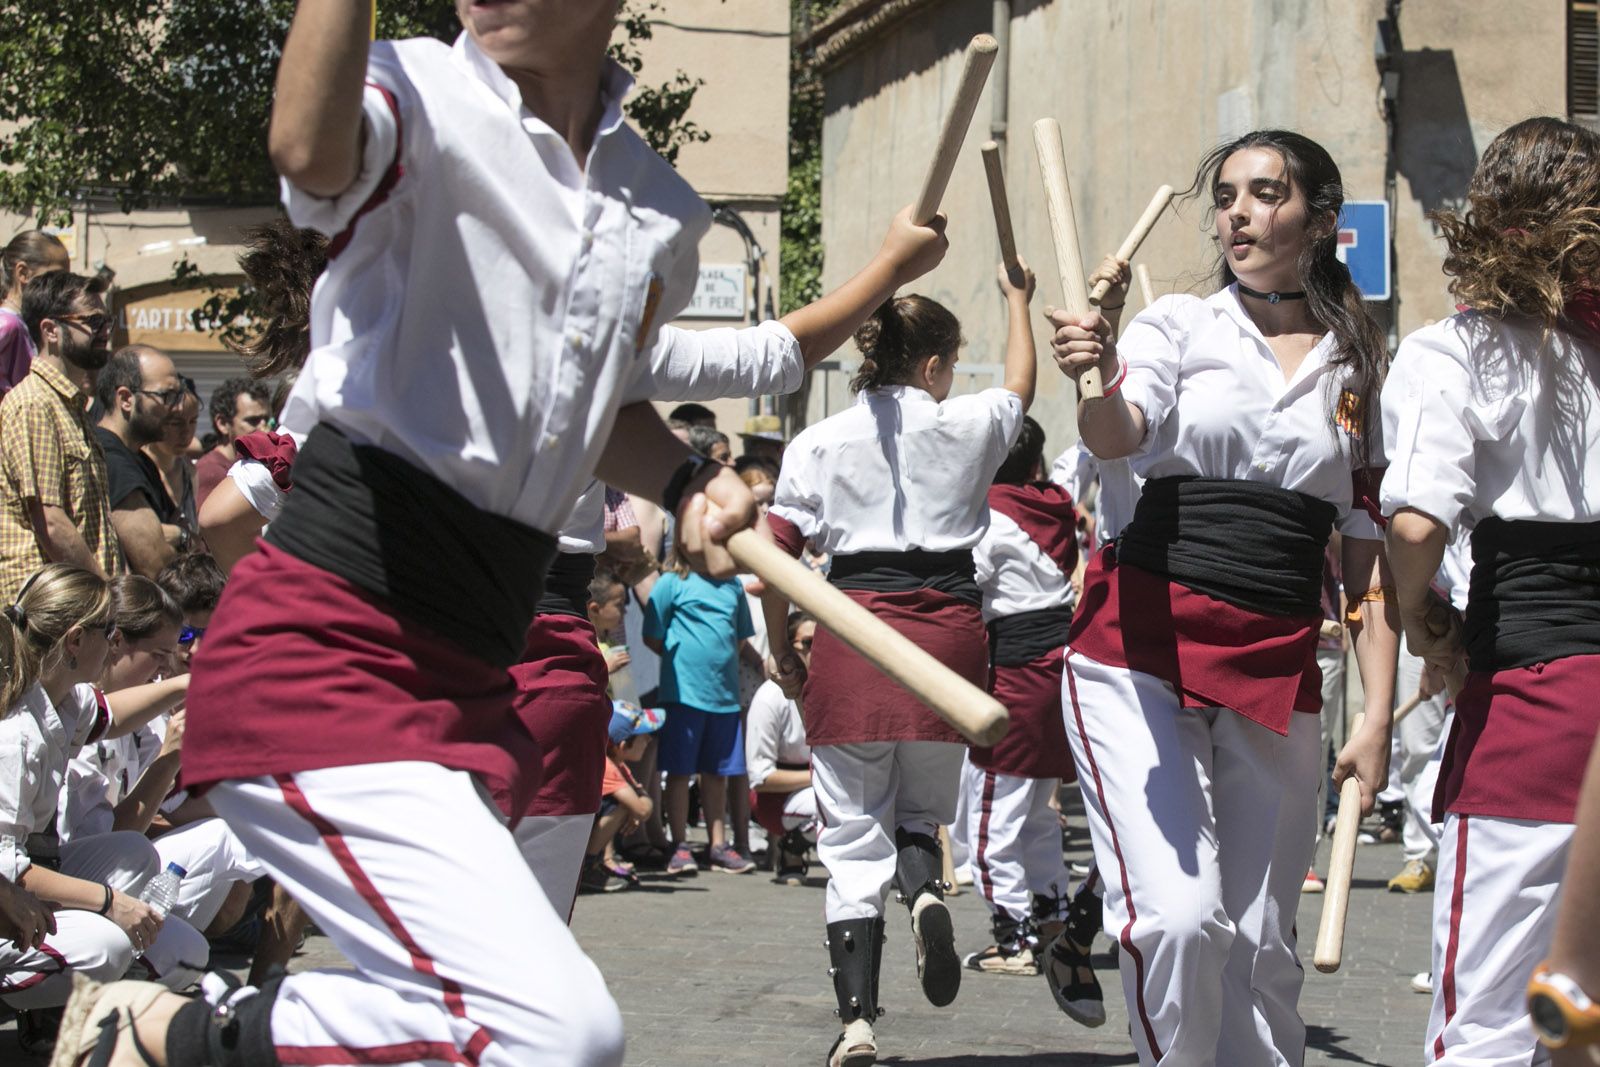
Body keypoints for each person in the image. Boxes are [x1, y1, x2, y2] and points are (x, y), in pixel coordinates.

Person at [47, 3, 765, 1064]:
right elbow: (308, 151)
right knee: (557, 1034)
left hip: (473, 667)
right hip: (327, 649)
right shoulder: (414, 91)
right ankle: (180, 1029)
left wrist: (690, 475)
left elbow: (597, 403)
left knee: (509, 1023)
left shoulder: (658, 205)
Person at [1050, 130, 1398, 1067]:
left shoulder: (1358, 360)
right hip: (1139, 652)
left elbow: (1364, 553)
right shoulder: (1181, 329)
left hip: (1280, 662)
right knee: (1178, 920)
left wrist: (1377, 711)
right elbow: (1116, 432)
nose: (1237, 212)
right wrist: (1098, 362)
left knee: (1261, 946)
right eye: (1227, 197)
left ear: (1320, 221)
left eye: (1265, 193)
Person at [763, 256, 1038, 1067]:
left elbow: (775, 554)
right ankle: (922, 891)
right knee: (920, 817)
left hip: (855, 636)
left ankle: (857, 1023)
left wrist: (782, 645)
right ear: (930, 364)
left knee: (850, 841)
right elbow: (1019, 383)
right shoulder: (970, 425)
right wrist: (1018, 301)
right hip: (949, 643)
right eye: (950, 365)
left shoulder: (818, 441)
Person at [1380, 116, 1600, 1067]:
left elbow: (1418, 524)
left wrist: (1426, 622)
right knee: (1581, 1011)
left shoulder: (1453, 353)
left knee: (1493, 1022)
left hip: (1533, 712)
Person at [0, 564, 204, 1019]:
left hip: (27, 872)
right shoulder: (14, 734)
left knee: (133, 854)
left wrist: (192, 683)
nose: (114, 641)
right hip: (6, 888)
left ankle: (66, 1006)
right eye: (108, 630)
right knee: (106, 946)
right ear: (75, 641)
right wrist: (111, 904)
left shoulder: (59, 695)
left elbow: (109, 715)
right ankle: (34, 1010)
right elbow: (8, 873)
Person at [957, 413, 1106, 1027]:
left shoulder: (983, 520)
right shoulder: (1059, 499)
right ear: (1036, 464)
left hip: (1017, 674)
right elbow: (1084, 455)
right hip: (1062, 670)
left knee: (990, 818)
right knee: (1041, 809)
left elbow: (966, 589)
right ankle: (1050, 917)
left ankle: (1013, 936)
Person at [643, 529, 759, 875]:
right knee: (679, 772)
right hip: (682, 696)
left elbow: (738, 637)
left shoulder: (732, 586)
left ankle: (718, 845)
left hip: (724, 698)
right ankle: (679, 844)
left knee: (718, 774)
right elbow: (653, 635)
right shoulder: (670, 583)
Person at [0, 271, 117, 601]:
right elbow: (52, 525)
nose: (105, 330)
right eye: (93, 321)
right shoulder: (35, 404)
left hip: (76, 611)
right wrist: (108, 594)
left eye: (107, 320)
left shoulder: (70, 405)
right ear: (51, 330)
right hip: (51, 619)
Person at [93, 347, 188, 578]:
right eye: (166, 396)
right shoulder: (109, 457)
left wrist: (177, 533)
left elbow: (182, 529)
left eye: (178, 395)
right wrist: (179, 536)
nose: (178, 408)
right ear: (126, 399)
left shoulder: (140, 459)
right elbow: (154, 562)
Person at [746, 611, 818, 886]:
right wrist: (820, 777)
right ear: (789, 647)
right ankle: (791, 849)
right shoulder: (769, 698)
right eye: (809, 643)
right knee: (831, 801)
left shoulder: (831, 693)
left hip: (816, 785)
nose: (817, 651)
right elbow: (760, 777)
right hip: (775, 799)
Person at [577, 702, 662, 895]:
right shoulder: (608, 767)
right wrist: (636, 804)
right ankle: (587, 868)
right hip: (573, 831)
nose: (648, 740)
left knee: (624, 802)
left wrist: (638, 802)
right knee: (621, 805)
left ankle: (599, 861)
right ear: (622, 746)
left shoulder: (618, 763)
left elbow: (641, 803)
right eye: (642, 735)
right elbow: (642, 809)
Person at [0, 231, 69, 396]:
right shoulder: (8, 325)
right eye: (56, 278)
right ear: (23, 273)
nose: (64, 288)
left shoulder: (27, 326)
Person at [194, 378, 272, 509]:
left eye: (267, 420)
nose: (264, 428)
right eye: (253, 420)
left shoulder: (249, 466)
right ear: (223, 423)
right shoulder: (210, 472)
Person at [146, 381, 202, 537]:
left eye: (193, 421)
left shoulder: (189, 471)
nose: (186, 432)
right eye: (176, 423)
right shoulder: (138, 468)